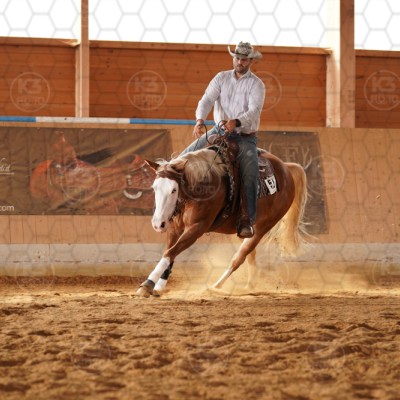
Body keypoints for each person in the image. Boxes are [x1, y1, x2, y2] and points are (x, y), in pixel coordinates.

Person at [181, 42, 266, 238]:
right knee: (184, 158)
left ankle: (247, 219)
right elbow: (207, 99)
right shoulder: (221, 78)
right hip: (218, 131)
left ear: (250, 61)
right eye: (237, 58)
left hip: (244, 137)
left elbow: (254, 111)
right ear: (233, 58)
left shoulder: (256, 84)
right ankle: (177, 206)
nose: (240, 62)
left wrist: (236, 122)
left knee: (250, 172)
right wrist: (199, 119)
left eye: (244, 59)